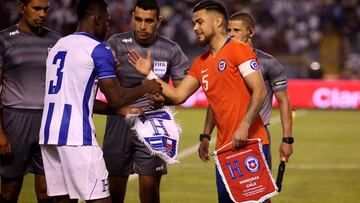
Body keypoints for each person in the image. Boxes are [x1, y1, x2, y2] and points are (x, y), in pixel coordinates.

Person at [129, 1, 268, 202]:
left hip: (249, 143)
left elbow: (260, 91)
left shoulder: (238, 50)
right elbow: (178, 95)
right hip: (223, 149)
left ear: (218, 21)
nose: (195, 28)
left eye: (199, 22)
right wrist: (149, 73)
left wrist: (245, 125)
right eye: (194, 23)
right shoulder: (200, 63)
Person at [39, 0, 161, 202]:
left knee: (63, 198)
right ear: (97, 19)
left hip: (49, 134)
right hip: (78, 137)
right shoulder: (97, 49)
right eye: (107, 21)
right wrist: (147, 87)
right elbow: (115, 98)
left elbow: (79, 98)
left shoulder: (58, 45)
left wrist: (120, 111)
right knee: (101, 198)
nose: (108, 27)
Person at [102, 0, 189, 202]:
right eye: (138, 19)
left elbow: (181, 92)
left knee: (149, 189)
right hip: (119, 122)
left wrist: (163, 100)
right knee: (114, 190)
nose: (142, 26)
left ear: (158, 21)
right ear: (132, 17)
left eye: (149, 21)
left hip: (153, 123)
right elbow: (105, 85)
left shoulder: (171, 50)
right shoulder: (114, 43)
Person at [202, 12, 294, 170]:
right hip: (227, 134)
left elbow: (283, 101)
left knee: (260, 192)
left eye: (236, 30)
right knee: (228, 191)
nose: (231, 34)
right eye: (229, 30)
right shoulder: (221, 61)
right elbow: (215, 100)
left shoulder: (268, 63)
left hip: (257, 135)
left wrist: (287, 140)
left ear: (251, 32)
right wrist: (205, 136)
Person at [0, 0, 60, 202]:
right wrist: (0, 133)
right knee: (10, 188)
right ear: (21, 7)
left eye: (45, 9)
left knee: (46, 191)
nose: (42, 14)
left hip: (48, 122)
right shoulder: (4, 40)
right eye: (37, 8)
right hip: (15, 121)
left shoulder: (56, 41)